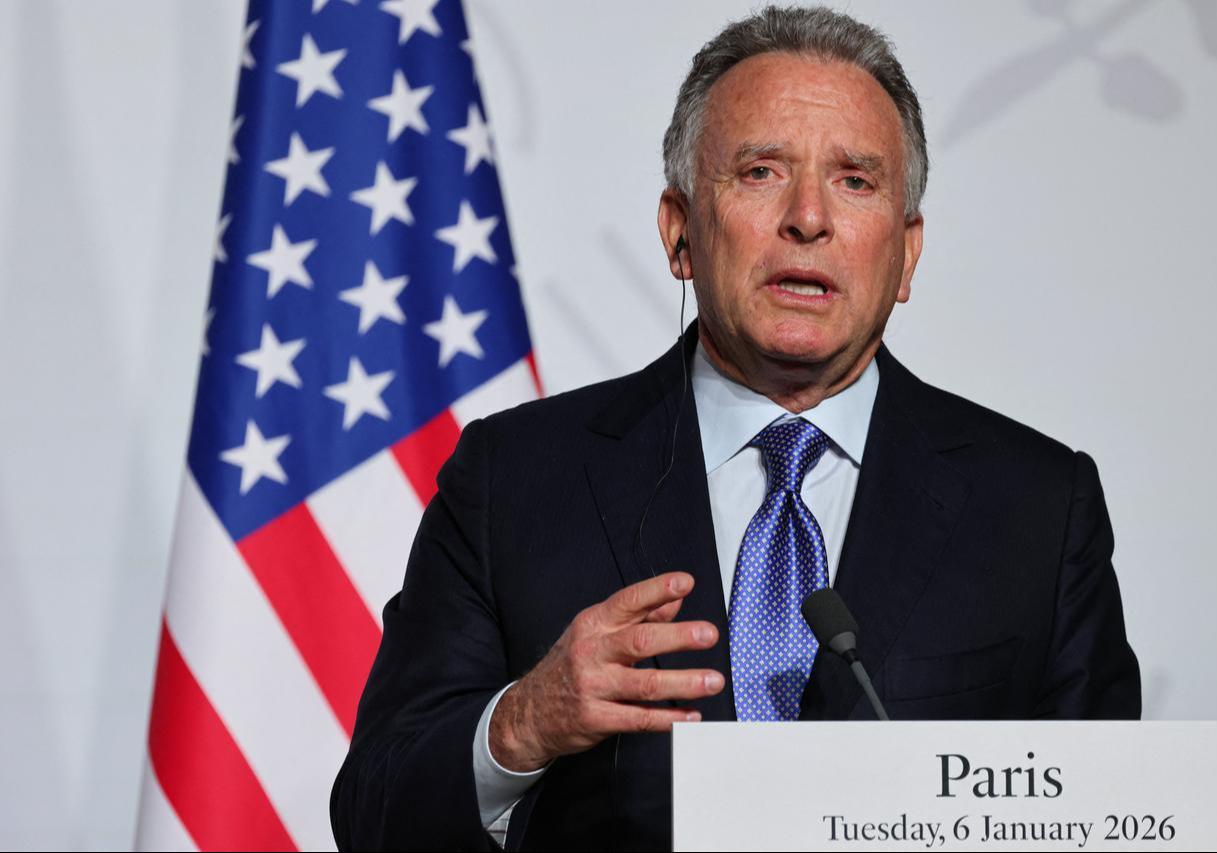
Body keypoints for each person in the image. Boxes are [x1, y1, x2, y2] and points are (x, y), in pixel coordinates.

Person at [331, 6, 1140, 850]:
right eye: (760, 172)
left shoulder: (1040, 507)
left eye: (855, 181)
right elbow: (372, 814)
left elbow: (1106, 816)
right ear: (679, 232)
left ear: (906, 253)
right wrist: (525, 723)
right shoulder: (512, 478)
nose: (808, 218)